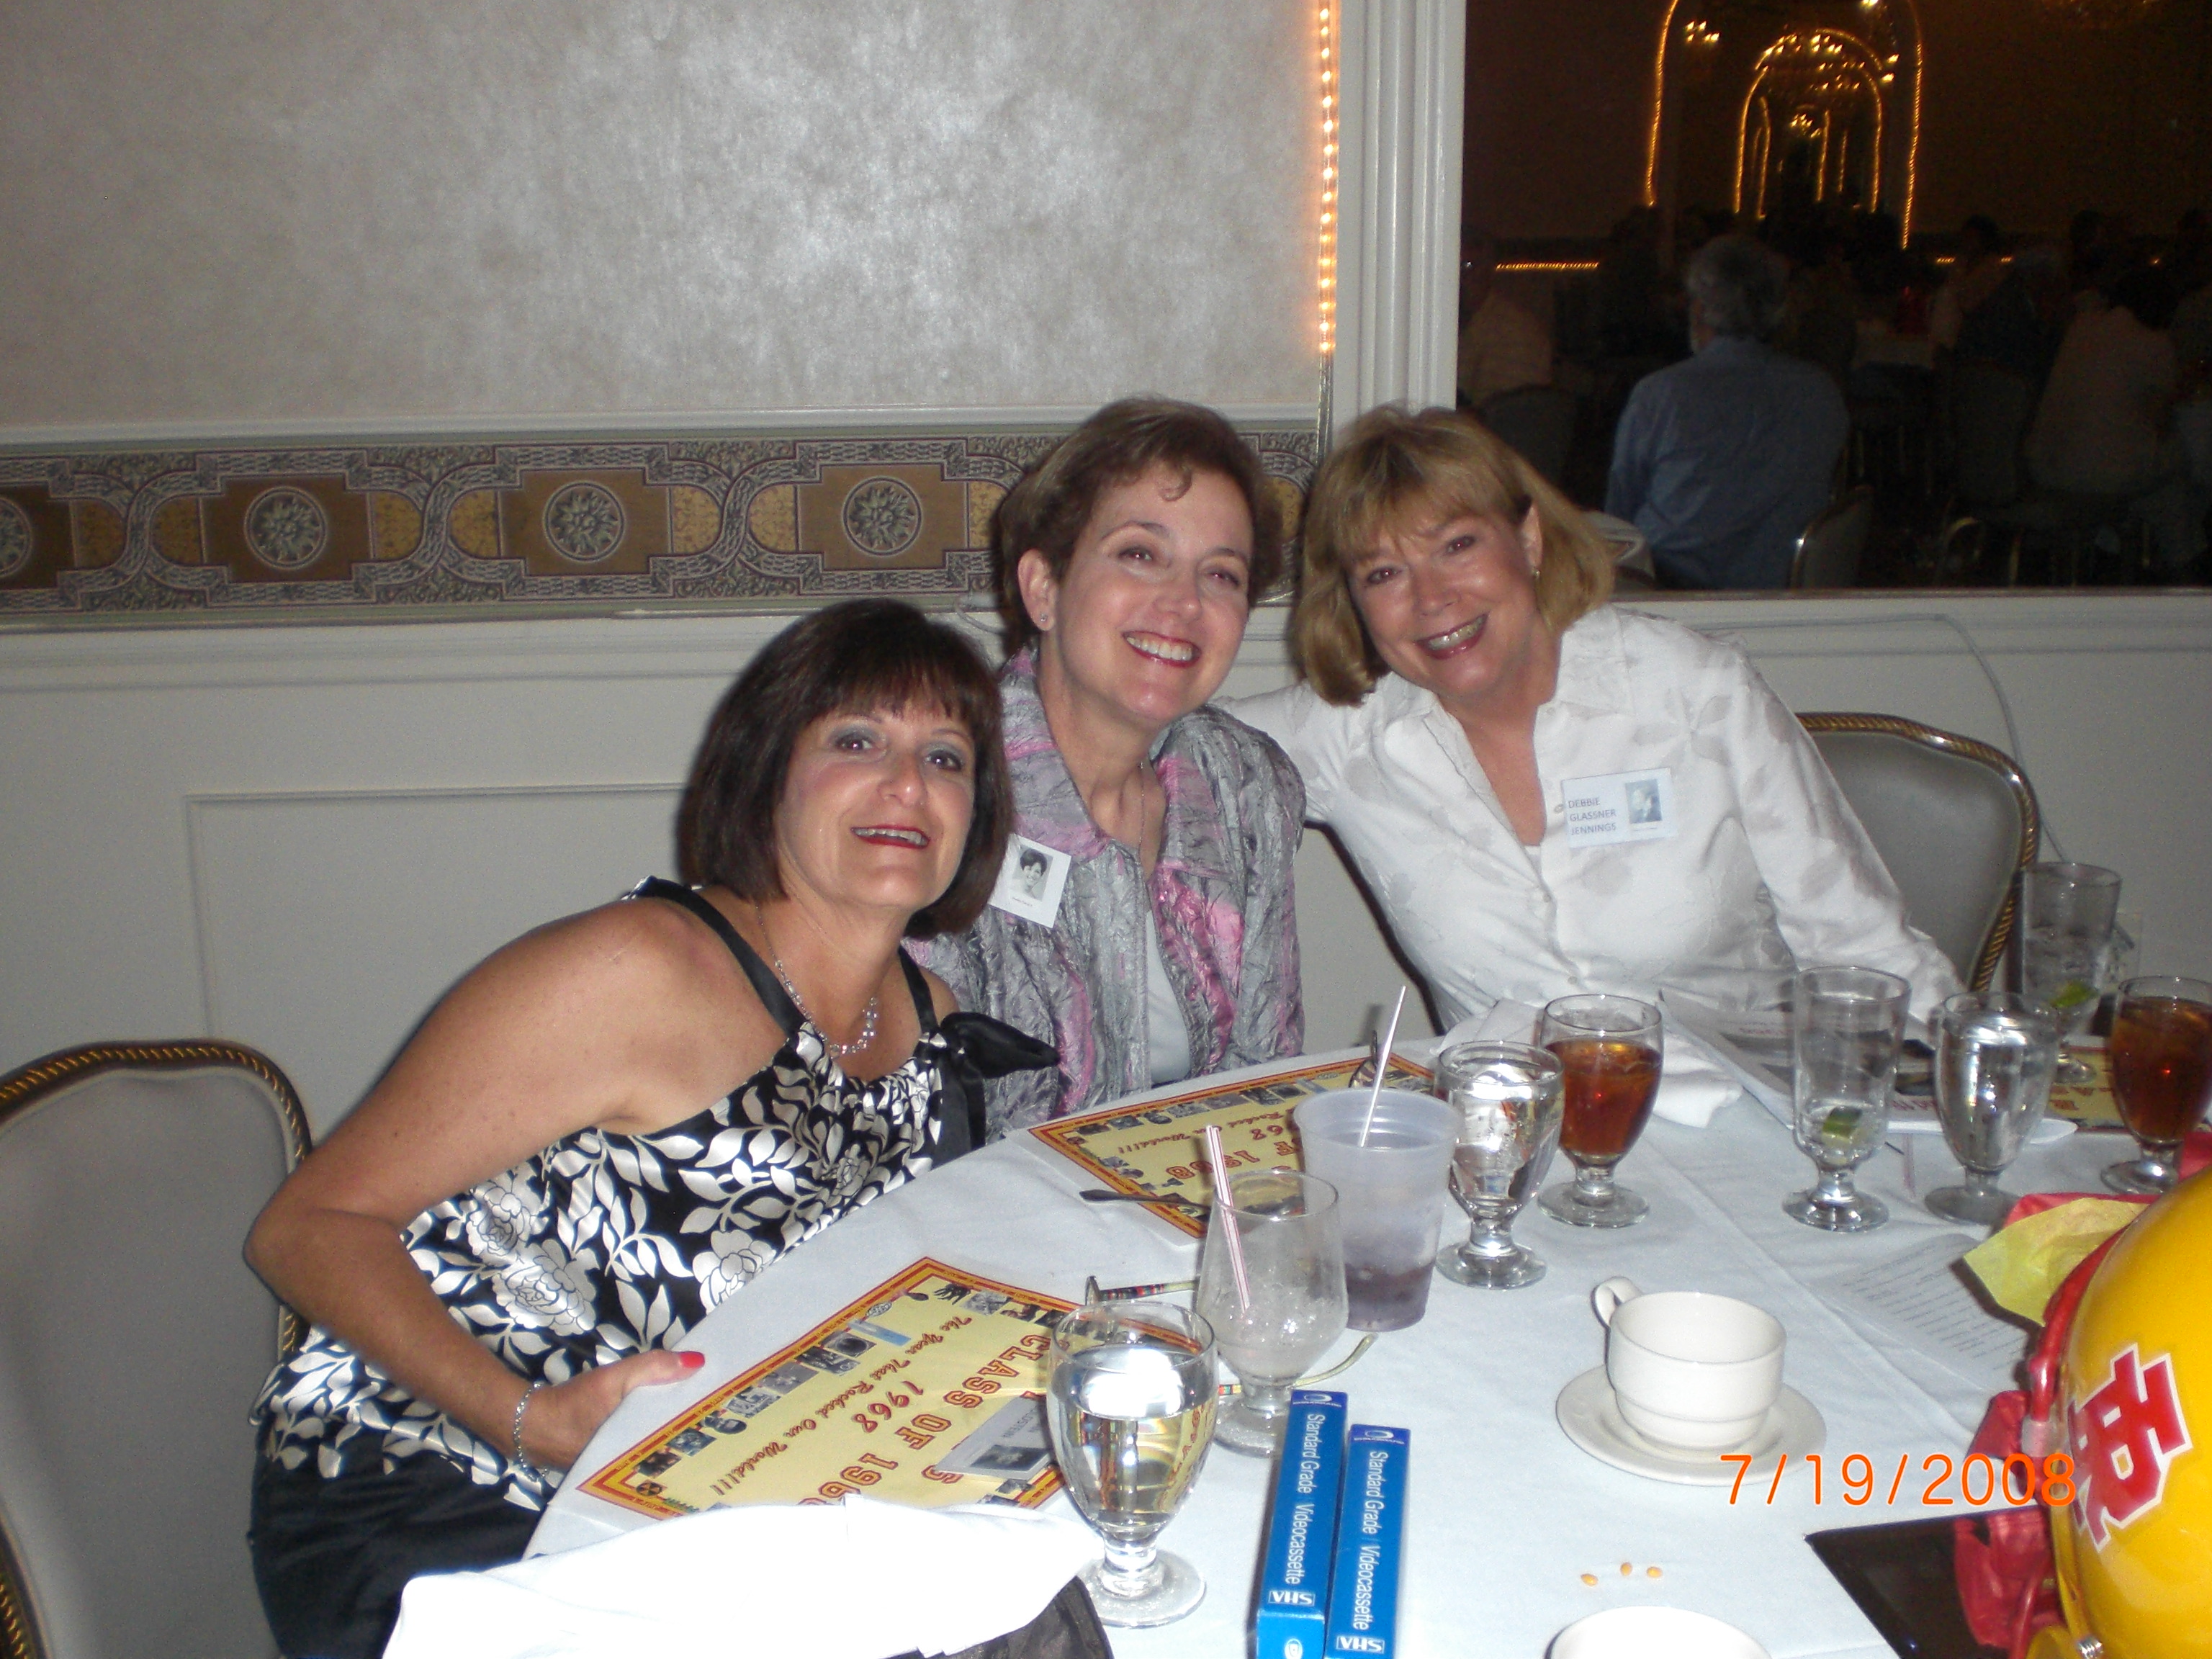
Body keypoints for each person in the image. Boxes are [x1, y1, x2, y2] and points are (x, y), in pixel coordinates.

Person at [244, 599, 1014, 1659]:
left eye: (946, 757)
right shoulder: (635, 971)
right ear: (765, 777)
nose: (908, 785)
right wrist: (528, 1420)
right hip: (445, 1488)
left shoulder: (923, 1018)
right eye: (855, 741)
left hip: (688, 1504)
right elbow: (305, 1228)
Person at [1228, 405, 1959, 1036]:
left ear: (1529, 540)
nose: (1431, 598)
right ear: (1353, 602)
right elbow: (1170, 733)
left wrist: (1971, 1097)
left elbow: (1865, 950)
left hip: (1744, 1122)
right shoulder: (1348, 738)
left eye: (1457, 546)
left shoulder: (1694, 689)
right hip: (1511, 1139)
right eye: (1384, 573)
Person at [920, 398, 1305, 1136]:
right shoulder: (944, 794)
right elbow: (930, 1125)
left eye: (1221, 575)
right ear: (1044, 588)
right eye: (1140, 554)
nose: (1184, 602)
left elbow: (1263, 1078)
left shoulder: (1242, 783)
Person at [1605, 234, 1848, 589]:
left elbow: (1620, 516)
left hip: (1669, 593)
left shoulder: (1661, 394)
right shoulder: (1820, 392)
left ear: (1699, 309)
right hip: (1783, 593)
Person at [2028, 265, 2206, 575]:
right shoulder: (2152, 342)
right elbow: (2161, 418)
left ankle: (2115, 554)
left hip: (2045, 468)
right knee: (2176, 474)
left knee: (2147, 476)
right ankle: (2185, 566)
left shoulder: (2081, 328)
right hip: (2099, 477)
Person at [1456, 228, 1553, 409]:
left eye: (1467, 266)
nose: (1459, 277)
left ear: (1488, 269)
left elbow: (1499, 413)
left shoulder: (1513, 330)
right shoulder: (1454, 325)